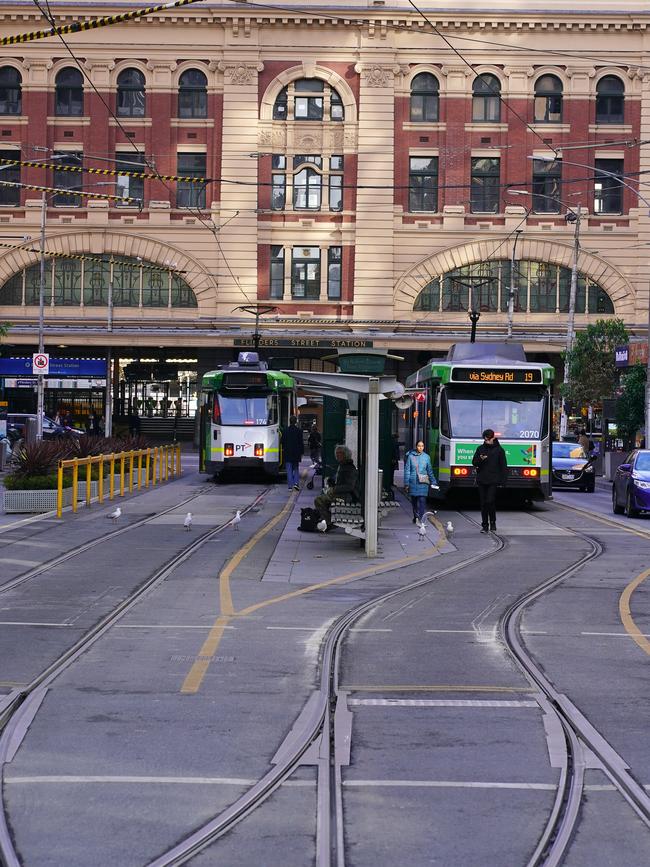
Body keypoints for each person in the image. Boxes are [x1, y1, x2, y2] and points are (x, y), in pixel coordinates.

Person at [314, 444, 359, 530]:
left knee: (319, 500)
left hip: (347, 497)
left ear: (345, 454)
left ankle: (329, 522)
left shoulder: (349, 468)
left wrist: (334, 489)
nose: (338, 455)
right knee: (323, 495)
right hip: (342, 494)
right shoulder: (342, 465)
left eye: (340, 453)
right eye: (337, 453)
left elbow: (350, 487)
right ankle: (328, 520)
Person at [472, 428, 508, 533]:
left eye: (487, 439)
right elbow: (474, 462)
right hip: (482, 479)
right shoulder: (480, 449)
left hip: (493, 480)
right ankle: (484, 525)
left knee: (490, 501)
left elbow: (503, 466)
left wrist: (503, 481)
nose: (486, 441)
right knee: (483, 503)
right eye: (485, 439)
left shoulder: (500, 450)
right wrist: (480, 459)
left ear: (493, 438)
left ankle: (493, 522)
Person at [404, 440, 437, 524]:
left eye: (422, 446)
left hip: (423, 482)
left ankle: (421, 518)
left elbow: (429, 470)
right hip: (413, 482)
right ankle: (416, 516)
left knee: (422, 501)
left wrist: (433, 481)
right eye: (419, 446)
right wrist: (406, 483)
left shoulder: (427, 457)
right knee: (414, 502)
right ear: (416, 446)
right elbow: (407, 470)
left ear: (424, 447)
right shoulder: (410, 457)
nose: (420, 447)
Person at [282, 414, 303, 491]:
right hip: (296, 453)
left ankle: (290, 486)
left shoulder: (285, 430)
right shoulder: (299, 431)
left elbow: (282, 442)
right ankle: (296, 484)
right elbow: (301, 443)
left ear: (289, 421)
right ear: (296, 422)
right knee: (296, 469)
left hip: (288, 453)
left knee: (289, 469)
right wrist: (301, 452)